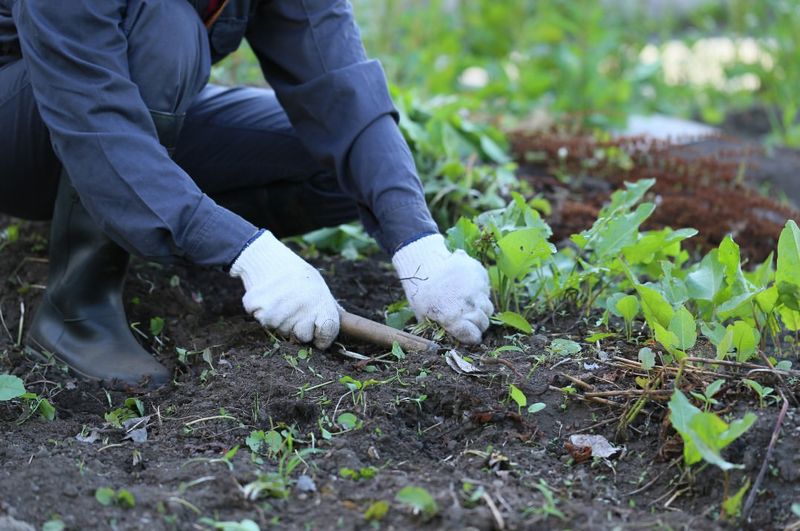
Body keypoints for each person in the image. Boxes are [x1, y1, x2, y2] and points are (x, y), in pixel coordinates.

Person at [0, 0, 493, 389]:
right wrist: (247, 251)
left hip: (114, 116)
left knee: (333, 166)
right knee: (166, 23)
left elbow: (340, 87)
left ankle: (156, 215)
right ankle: (76, 309)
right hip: (32, 124)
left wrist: (418, 242)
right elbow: (94, 122)